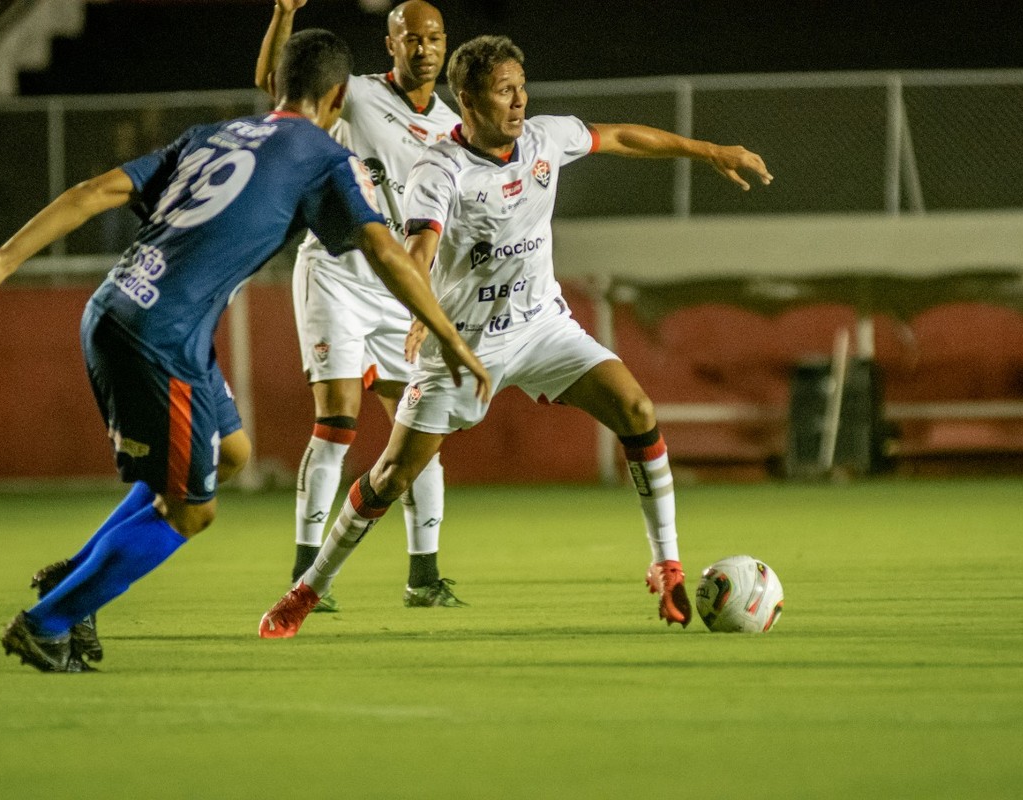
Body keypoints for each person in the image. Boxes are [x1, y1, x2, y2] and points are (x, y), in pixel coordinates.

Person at [0, 29, 489, 673]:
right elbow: (388, 250)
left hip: (120, 308)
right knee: (192, 511)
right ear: (337, 98)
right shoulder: (320, 156)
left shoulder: (211, 135)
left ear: (276, 86)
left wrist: (3, 258)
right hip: (157, 336)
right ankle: (48, 620)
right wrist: (449, 337)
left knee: (234, 453)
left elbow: (94, 191)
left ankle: (76, 575)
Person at [257, 34, 773, 638]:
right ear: (469, 101)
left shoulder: (544, 139)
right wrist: (423, 311)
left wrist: (709, 150)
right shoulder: (440, 169)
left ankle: (666, 562)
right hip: (467, 344)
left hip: (543, 326)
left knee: (636, 408)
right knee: (391, 476)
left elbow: (623, 136)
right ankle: (306, 591)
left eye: (522, 87)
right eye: (505, 91)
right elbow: (419, 248)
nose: (520, 100)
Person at [254, 0, 467, 610]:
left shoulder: (453, 127)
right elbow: (279, 88)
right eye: (411, 38)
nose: (423, 48)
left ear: (444, 44)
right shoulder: (357, 95)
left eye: (433, 38)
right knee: (338, 420)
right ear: (390, 44)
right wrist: (284, 15)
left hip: (398, 286)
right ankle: (305, 573)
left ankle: (423, 577)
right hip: (337, 270)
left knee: (420, 428)